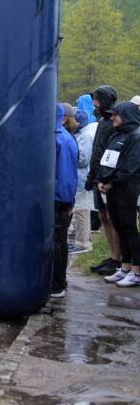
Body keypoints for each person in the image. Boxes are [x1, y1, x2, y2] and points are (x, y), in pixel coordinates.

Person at [96, 102, 140, 288]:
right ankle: (125, 267)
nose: (112, 117)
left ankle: (136, 272)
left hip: (127, 189)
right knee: (120, 227)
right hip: (112, 189)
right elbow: (106, 160)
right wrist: (100, 180)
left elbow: (130, 166)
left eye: (116, 114)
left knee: (129, 228)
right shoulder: (117, 135)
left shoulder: (136, 136)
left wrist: (111, 183)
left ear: (127, 115)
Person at [86, 85, 123, 276]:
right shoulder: (102, 121)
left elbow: (112, 153)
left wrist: (107, 178)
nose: (94, 103)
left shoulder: (114, 121)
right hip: (98, 176)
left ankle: (117, 258)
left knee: (111, 217)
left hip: (108, 178)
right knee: (103, 217)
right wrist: (92, 176)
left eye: (97, 99)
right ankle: (112, 256)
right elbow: (96, 151)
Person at [52, 104, 80, 298]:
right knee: (60, 241)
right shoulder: (68, 137)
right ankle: (60, 282)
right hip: (66, 197)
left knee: (55, 242)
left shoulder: (53, 138)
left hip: (54, 197)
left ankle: (55, 284)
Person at [71, 106, 98, 253]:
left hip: (82, 177)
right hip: (77, 177)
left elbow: (83, 159)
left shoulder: (86, 135)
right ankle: (81, 240)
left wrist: (69, 156)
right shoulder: (81, 134)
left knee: (82, 210)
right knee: (79, 209)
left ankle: (82, 243)